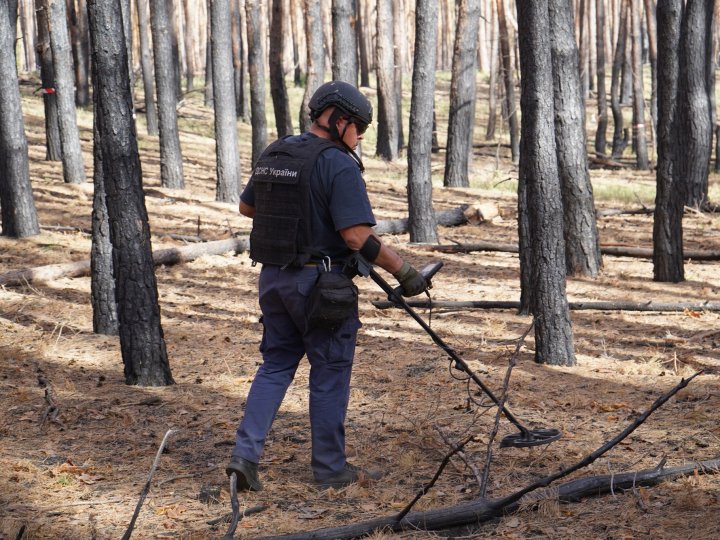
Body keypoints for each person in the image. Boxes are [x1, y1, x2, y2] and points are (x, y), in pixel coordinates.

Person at [226, 81, 428, 491]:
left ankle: (244, 458)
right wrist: (404, 272)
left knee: (276, 365)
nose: (360, 138)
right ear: (339, 120)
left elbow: (248, 206)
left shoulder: (277, 151)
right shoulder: (337, 163)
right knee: (330, 371)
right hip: (319, 288)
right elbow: (356, 237)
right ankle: (331, 469)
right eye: (359, 128)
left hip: (273, 279)